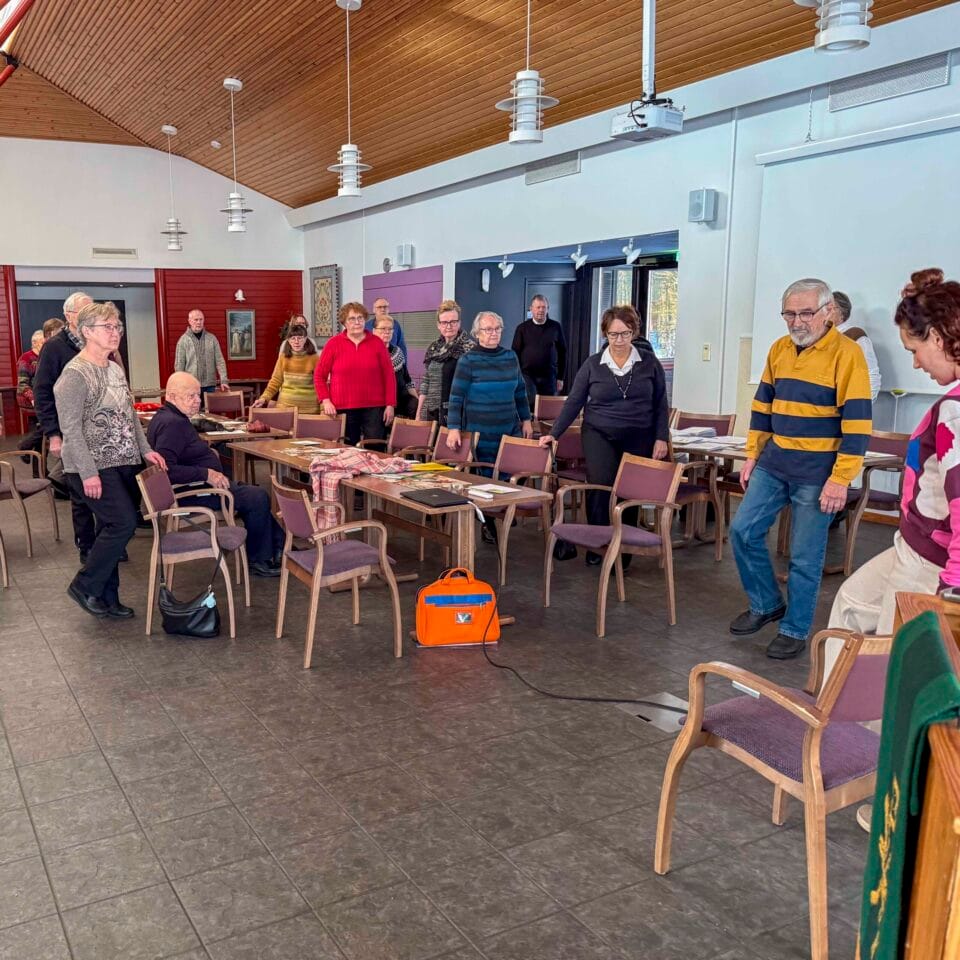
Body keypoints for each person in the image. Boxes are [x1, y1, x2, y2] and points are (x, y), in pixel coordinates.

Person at [729, 278, 872, 660]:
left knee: (805, 557)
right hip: (774, 461)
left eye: (806, 313)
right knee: (742, 530)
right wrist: (752, 454)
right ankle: (766, 603)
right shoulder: (779, 349)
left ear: (828, 312)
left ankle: (794, 629)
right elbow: (762, 406)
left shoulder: (848, 354)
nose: (797, 321)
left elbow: (857, 424)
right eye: (789, 313)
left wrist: (840, 479)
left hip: (817, 470)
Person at [831, 269, 960, 636]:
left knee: (893, 649)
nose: (916, 363)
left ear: (937, 338)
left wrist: (953, 587)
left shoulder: (955, 411)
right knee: (850, 605)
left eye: (914, 351)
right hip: (916, 544)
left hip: (932, 560)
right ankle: (835, 678)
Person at [53, 302, 166, 618]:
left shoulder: (115, 368)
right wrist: (88, 473)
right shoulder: (74, 375)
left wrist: (145, 449)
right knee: (124, 523)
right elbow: (70, 430)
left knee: (109, 527)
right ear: (87, 331)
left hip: (124, 461)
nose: (115, 332)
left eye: (118, 327)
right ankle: (85, 584)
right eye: (108, 327)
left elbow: (129, 416)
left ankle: (106, 597)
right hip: (92, 466)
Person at [540, 304, 669, 565]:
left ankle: (625, 548)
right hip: (599, 432)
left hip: (640, 433)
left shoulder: (649, 363)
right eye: (613, 334)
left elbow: (660, 403)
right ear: (605, 334)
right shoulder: (593, 364)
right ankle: (597, 545)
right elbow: (574, 401)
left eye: (625, 333)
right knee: (601, 484)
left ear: (634, 332)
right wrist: (554, 434)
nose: (619, 340)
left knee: (630, 490)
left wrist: (661, 437)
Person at [148, 372, 284, 578]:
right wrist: (205, 473)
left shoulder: (167, 417)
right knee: (257, 497)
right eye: (191, 396)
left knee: (250, 493)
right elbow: (166, 471)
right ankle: (259, 559)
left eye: (198, 395)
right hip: (191, 493)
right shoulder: (173, 424)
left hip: (199, 486)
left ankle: (279, 546)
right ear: (172, 396)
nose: (198, 401)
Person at [33, 291, 97, 557]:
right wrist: (53, 434)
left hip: (98, 429)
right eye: (84, 311)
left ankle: (108, 543)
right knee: (81, 492)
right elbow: (42, 392)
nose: (90, 316)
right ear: (69, 316)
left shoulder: (96, 342)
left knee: (105, 487)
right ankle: (87, 545)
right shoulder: (54, 347)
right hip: (70, 429)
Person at [446, 310, 532, 463]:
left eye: (497, 328)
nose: (494, 333)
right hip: (480, 433)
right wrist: (453, 428)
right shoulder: (468, 360)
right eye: (488, 329)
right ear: (477, 333)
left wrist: (526, 420)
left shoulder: (510, 357)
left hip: (509, 430)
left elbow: (520, 392)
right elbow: (456, 397)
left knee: (513, 471)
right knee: (482, 475)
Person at [314, 301, 396, 445]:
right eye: (352, 319)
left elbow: (389, 376)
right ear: (344, 322)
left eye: (360, 318)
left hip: (375, 407)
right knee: (347, 449)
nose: (357, 322)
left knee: (375, 448)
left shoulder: (377, 343)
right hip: (343, 407)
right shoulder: (333, 344)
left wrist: (390, 404)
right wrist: (325, 401)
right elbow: (319, 376)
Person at [420, 300, 475, 425]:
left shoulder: (470, 348)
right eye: (444, 322)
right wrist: (419, 411)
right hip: (431, 410)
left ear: (459, 323)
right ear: (438, 325)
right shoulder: (433, 348)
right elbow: (426, 381)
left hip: (457, 412)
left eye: (453, 322)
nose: (449, 326)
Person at [252, 321, 320, 413]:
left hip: (309, 410)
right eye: (293, 338)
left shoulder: (314, 358)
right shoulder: (283, 358)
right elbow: (275, 381)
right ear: (288, 340)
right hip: (285, 409)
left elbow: (321, 384)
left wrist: (323, 408)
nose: (296, 341)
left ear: (305, 339)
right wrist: (264, 398)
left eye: (300, 338)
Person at [512, 294, 567, 402]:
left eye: (544, 307)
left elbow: (562, 352)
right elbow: (515, 353)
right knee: (530, 403)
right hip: (527, 375)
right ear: (531, 309)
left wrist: (561, 377)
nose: (541, 310)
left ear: (547, 309)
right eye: (538, 307)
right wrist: (517, 376)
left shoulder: (555, 327)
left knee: (547, 406)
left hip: (549, 376)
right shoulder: (522, 328)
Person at [834, 291, 881, 400]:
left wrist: (864, 405)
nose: (824, 313)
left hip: (848, 402)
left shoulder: (855, 335)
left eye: (830, 308)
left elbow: (871, 375)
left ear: (842, 312)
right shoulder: (818, 337)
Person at [371, 314, 418, 419]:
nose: (387, 332)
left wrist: (417, 402)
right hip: (380, 403)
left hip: (403, 400)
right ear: (374, 331)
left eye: (390, 329)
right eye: (383, 328)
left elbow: (407, 379)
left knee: (416, 405)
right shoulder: (368, 354)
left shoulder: (397, 351)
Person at [174, 309, 230, 393]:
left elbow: (220, 360)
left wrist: (224, 380)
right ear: (189, 321)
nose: (199, 322)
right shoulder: (183, 340)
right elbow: (179, 365)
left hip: (210, 385)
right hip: (191, 386)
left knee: (210, 403)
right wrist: (180, 384)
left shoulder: (211, 338)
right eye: (196, 319)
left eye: (201, 319)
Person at [15, 329, 46, 455]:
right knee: (50, 420)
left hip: (42, 397)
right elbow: (23, 384)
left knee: (46, 425)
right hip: (28, 398)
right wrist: (33, 398)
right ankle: (25, 445)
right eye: (43, 342)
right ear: (35, 343)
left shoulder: (45, 356)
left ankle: (31, 453)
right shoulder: (26, 358)